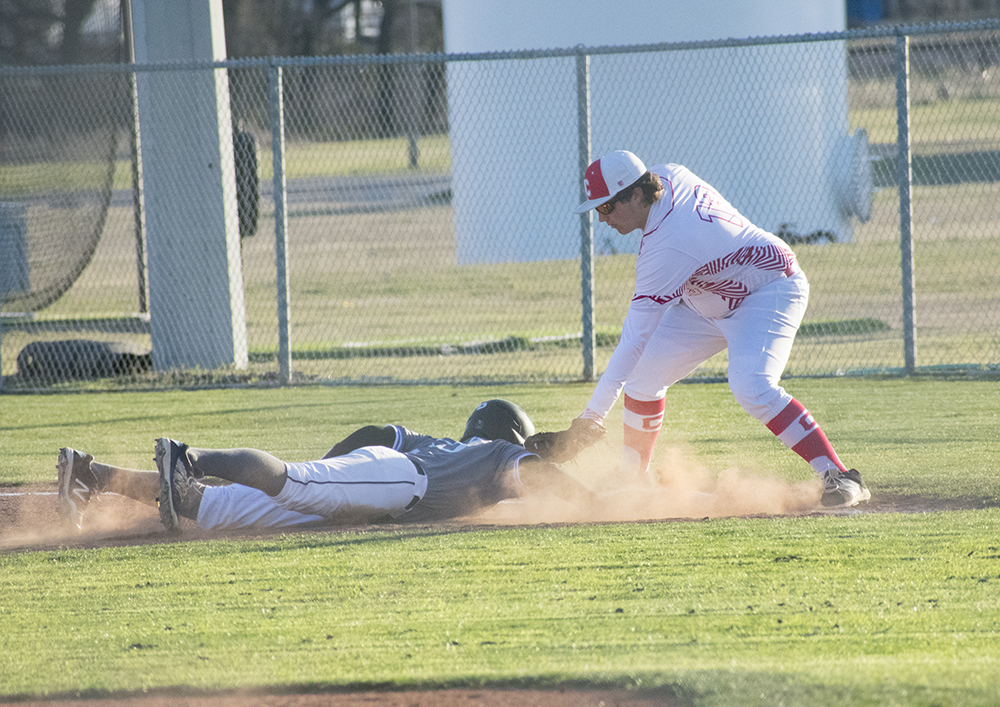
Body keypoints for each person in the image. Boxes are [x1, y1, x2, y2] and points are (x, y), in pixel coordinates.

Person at [572, 150, 869, 508]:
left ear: (635, 194)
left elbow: (634, 338)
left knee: (752, 386)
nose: (602, 219)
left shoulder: (668, 242)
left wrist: (593, 416)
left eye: (606, 207)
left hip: (767, 289)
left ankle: (840, 475)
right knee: (643, 376)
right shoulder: (667, 176)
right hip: (709, 297)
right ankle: (632, 477)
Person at [55, 400, 598, 532]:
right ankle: (187, 457)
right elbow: (541, 475)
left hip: (377, 485)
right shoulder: (501, 457)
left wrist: (334, 460)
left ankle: (91, 475)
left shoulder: (447, 444)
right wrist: (596, 504)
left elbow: (379, 432)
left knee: (217, 509)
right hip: (398, 483)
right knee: (294, 480)